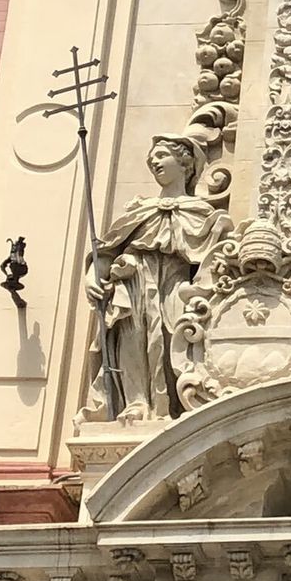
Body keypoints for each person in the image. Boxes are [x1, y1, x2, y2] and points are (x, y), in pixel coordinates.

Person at [82, 136, 231, 420]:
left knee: (173, 336)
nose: (154, 161)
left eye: (162, 155)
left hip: (176, 284)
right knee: (134, 339)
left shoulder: (200, 212)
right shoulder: (141, 209)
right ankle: (137, 403)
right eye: (152, 157)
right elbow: (109, 249)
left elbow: (216, 259)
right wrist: (92, 275)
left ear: (185, 163)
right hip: (134, 282)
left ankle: (174, 406)